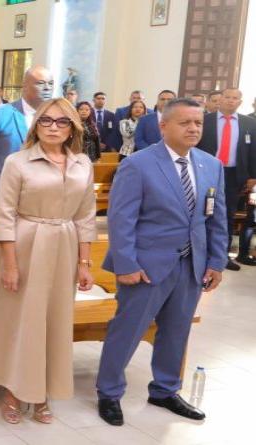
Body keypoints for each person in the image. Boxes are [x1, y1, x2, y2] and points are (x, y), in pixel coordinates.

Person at [96, 98, 227, 426]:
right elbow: (121, 219)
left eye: (198, 123)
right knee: (127, 330)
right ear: (164, 126)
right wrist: (125, 264)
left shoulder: (210, 165)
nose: (194, 128)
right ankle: (109, 392)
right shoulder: (138, 164)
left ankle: (165, 389)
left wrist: (216, 261)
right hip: (146, 267)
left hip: (192, 264)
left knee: (177, 330)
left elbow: (216, 218)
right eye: (185, 123)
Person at [0, 98, 96, 425]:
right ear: (36, 125)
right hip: (24, 246)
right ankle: (14, 390)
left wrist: (85, 263)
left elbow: (86, 216)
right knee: (21, 322)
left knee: (53, 321)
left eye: (62, 122)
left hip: (64, 246)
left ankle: (42, 391)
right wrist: (11, 265)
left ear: (72, 128)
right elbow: (6, 215)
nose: (53, 127)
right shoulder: (18, 161)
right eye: (46, 121)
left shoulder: (82, 163)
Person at [0, 66, 54, 234]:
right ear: (24, 86)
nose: (47, 88)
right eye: (41, 83)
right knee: (2, 254)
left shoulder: (56, 117)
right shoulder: (0, 114)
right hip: (4, 198)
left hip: (42, 201)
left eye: (51, 83)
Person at [197, 87, 256, 271]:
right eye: (227, 97)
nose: (231, 101)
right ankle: (199, 253)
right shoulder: (205, 120)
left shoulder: (250, 123)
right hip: (205, 171)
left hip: (233, 174)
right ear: (219, 99)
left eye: (235, 98)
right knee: (200, 210)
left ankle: (221, 256)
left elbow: (253, 151)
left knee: (226, 215)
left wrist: (253, 176)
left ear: (240, 102)